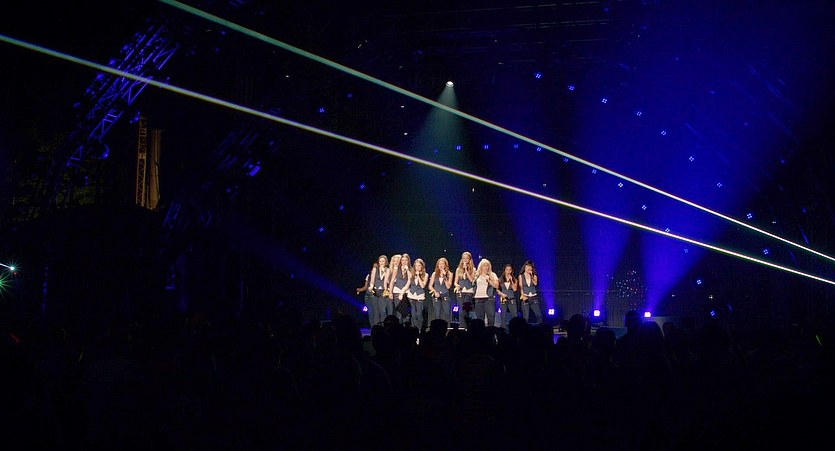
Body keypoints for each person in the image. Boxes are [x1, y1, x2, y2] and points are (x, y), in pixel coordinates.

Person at [473, 258, 500, 328]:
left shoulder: (492, 274)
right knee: (479, 320)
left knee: (491, 318)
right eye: (484, 265)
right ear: (481, 267)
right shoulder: (477, 275)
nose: (486, 267)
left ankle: (490, 333)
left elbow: (496, 285)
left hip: (489, 299)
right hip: (478, 299)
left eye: (487, 265)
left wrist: (489, 280)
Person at [453, 251, 475, 328]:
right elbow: (455, 282)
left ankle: (466, 327)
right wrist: (457, 285)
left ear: (470, 260)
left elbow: (472, 280)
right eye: (463, 258)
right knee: (461, 310)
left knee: (466, 310)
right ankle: (462, 327)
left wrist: (466, 270)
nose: (465, 260)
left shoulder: (473, 269)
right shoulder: (458, 269)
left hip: (469, 292)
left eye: (466, 258)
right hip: (460, 292)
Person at [429, 257, 453, 325]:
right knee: (437, 313)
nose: (441, 265)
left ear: (445, 265)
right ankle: (437, 328)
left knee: (447, 313)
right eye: (439, 264)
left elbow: (448, 286)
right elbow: (430, 286)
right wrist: (435, 291)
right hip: (436, 295)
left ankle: (447, 328)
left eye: (442, 264)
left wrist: (445, 276)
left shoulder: (450, 274)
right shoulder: (434, 274)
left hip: (445, 295)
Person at [406, 258, 428, 331]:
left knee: (419, 314)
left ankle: (419, 329)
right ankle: (414, 329)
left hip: (419, 296)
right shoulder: (411, 274)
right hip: (411, 295)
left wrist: (418, 276)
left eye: (419, 266)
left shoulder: (425, 275)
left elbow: (422, 286)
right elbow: (408, 284)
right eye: (416, 266)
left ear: (422, 266)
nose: (417, 267)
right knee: (413, 314)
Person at [389, 253, 411, 323]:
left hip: (406, 292)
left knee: (406, 313)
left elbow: (409, 280)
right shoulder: (396, 269)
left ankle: (406, 327)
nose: (404, 262)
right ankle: (399, 327)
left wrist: (407, 270)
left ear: (408, 261)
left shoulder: (410, 269)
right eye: (402, 260)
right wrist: (390, 292)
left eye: (406, 260)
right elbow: (392, 281)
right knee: (399, 312)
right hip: (397, 291)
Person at [368, 255, 389, 326]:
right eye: (380, 261)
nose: (381, 263)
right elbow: (372, 280)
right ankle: (376, 327)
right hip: (375, 291)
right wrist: (371, 286)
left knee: (382, 311)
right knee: (376, 312)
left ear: (385, 262)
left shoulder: (387, 269)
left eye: (383, 261)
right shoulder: (375, 269)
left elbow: (387, 282)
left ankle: (384, 327)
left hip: (383, 292)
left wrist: (384, 273)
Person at [519, 260, 541, 324]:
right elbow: (521, 286)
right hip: (525, 297)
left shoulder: (534, 275)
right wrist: (523, 295)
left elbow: (535, 283)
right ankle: (524, 329)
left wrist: (531, 276)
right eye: (527, 266)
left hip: (534, 297)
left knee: (539, 315)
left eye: (530, 266)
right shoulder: (521, 276)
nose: (528, 268)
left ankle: (541, 327)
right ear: (525, 267)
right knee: (526, 317)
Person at [355, 261, 377, 327]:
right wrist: (360, 289)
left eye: (376, 267)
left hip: (375, 295)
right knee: (370, 312)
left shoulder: (381, 275)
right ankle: (372, 327)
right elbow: (365, 287)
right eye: (374, 267)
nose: (375, 268)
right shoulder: (369, 276)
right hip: (367, 295)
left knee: (376, 311)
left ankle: (377, 326)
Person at [497, 263, 519, 330]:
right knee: (503, 315)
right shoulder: (500, 279)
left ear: (512, 271)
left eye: (510, 270)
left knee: (514, 315)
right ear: (504, 270)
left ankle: (515, 329)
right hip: (503, 298)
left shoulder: (514, 279)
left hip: (511, 298)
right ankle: (502, 329)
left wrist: (511, 280)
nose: (508, 271)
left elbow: (515, 289)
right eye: (507, 269)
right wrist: (502, 294)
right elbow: (497, 290)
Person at [383, 254, 401, 320]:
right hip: (389, 291)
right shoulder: (389, 270)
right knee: (390, 310)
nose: (395, 263)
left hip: (397, 292)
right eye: (394, 261)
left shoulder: (401, 270)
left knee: (398, 311)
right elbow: (385, 281)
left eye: (397, 261)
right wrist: (387, 291)